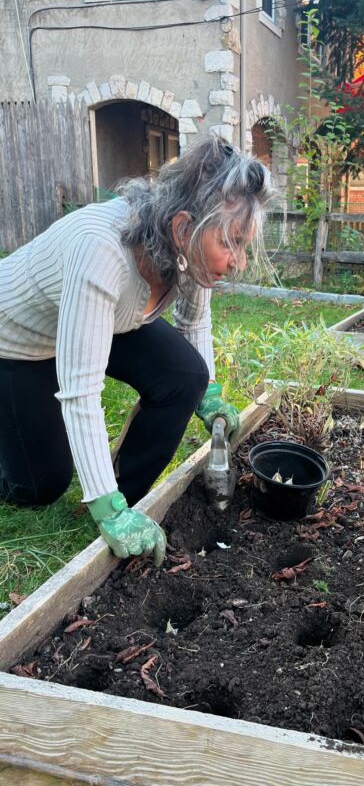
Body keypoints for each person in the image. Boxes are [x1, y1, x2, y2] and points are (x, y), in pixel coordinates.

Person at [0, 135, 274, 566]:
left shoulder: (189, 253)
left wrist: (211, 395)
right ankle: (96, 497)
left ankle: (124, 494)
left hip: (103, 320)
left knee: (187, 376)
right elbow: (80, 391)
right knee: (40, 486)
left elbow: (194, 324)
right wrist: (104, 508)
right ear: (184, 227)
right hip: (19, 340)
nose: (237, 261)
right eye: (231, 243)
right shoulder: (101, 252)